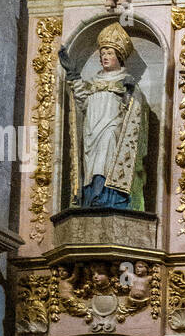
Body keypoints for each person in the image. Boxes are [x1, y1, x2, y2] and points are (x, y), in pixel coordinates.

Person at [59, 24, 147, 211]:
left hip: (112, 128)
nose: (105, 57)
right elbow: (81, 102)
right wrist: (73, 74)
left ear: (119, 57)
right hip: (92, 132)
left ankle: (109, 198)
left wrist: (129, 93)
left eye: (109, 53)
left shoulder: (126, 81)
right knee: (92, 166)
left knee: (107, 152)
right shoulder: (93, 82)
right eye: (102, 54)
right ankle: (91, 198)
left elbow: (134, 113)